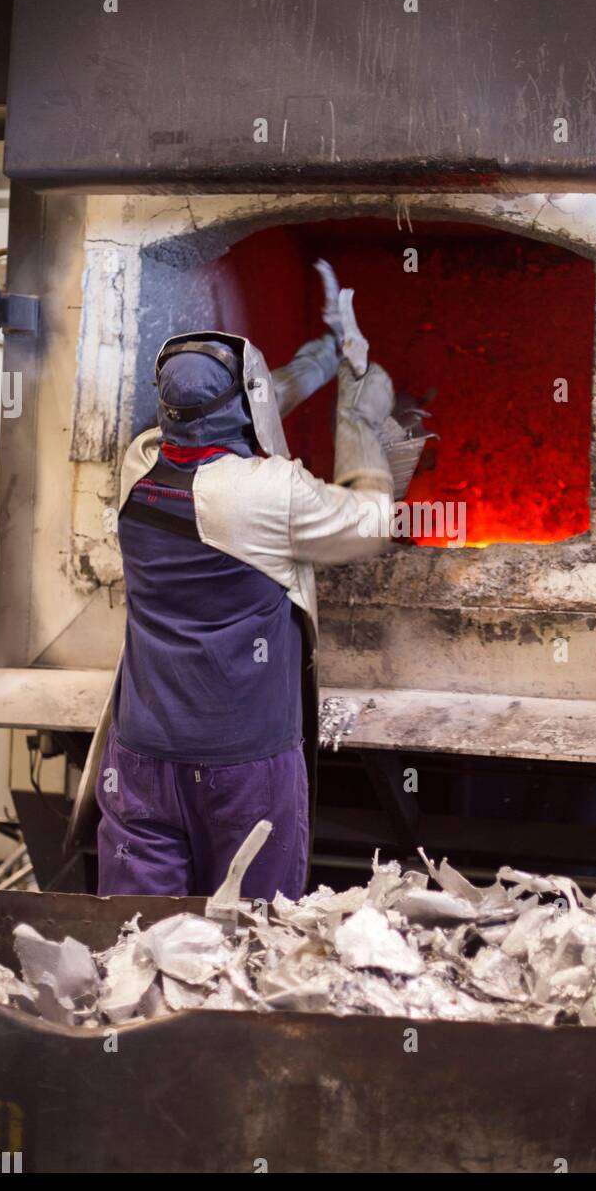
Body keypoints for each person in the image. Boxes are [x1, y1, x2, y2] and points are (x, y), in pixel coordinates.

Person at [65, 324, 395, 900]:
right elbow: (371, 520)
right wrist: (358, 402)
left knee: (137, 934)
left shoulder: (137, 465)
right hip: (244, 769)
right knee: (251, 941)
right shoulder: (273, 493)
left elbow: (215, 411)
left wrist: (313, 364)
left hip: (140, 758)